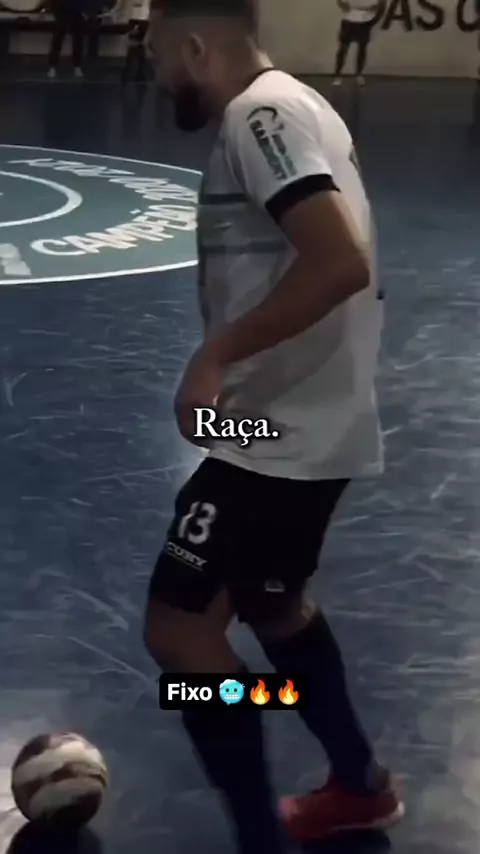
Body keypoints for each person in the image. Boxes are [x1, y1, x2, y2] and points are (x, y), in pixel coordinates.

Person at [145, 1, 405, 852]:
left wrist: (214, 356)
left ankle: (259, 832)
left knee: (181, 635)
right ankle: (358, 783)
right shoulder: (300, 105)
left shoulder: (260, 115)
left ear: (193, 47)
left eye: (158, 54)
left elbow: (338, 261)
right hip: (303, 425)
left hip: (279, 437)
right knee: (273, 604)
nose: (157, 75)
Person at [333, 0, 383, 86]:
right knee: (343, 48)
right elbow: (340, 2)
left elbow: (381, 5)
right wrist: (346, 7)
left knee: (362, 49)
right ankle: (337, 75)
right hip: (349, 20)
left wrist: (374, 18)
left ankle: (359, 75)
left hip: (365, 21)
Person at [47, 0, 85, 78]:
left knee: (78, 41)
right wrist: (57, 13)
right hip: (62, 13)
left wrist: (84, 13)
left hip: (77, 13)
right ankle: (52, 66)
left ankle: (77, 66)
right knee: (57, 40)